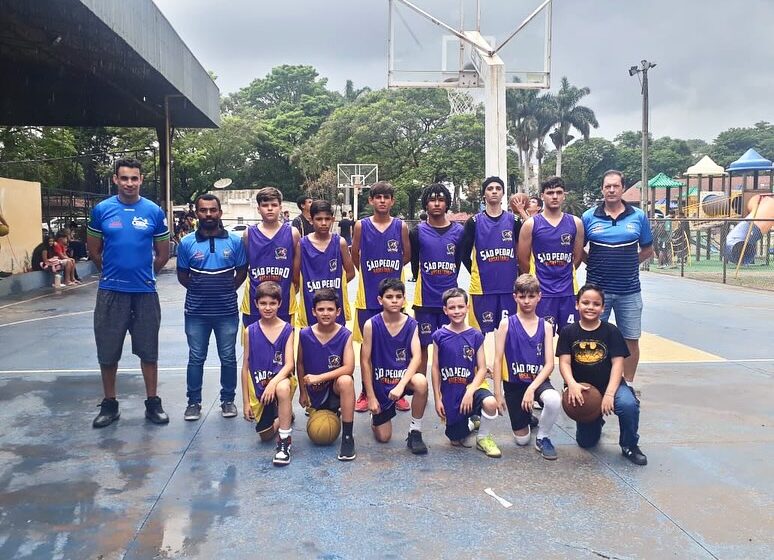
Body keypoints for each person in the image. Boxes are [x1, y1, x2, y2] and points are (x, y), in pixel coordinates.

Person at [87, 158, 170, 428]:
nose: (129, 183)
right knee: (108, 351)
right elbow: (94, 252)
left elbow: (163, 253)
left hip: (145, 293)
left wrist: (144, 275)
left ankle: (152, 402)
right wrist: (114, 273)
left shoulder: (153, 212)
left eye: (134, 178)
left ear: (141, 180)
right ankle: (109, 404)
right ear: (115, 180)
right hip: (111, 292)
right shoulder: (102, 210)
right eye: (124, 178)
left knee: (149, 350)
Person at [556, 284, 647, 466]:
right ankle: (595, 419)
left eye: (596, 304)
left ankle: (629, 445)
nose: (590, 307)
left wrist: (609, 394)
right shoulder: (568, 332)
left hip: (610, 385)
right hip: (584, 389)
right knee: (586, 442)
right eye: (585, 302)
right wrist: (571, 384)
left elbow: (617, 365)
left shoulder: (611, 331)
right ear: (577, 305)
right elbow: (564, 363)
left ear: (603, 308)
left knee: (628, 404)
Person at [177, 194, 248, 421]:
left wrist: (225, 290)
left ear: (220, 212)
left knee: (228, 357)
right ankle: (193, 403)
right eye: (203, 210)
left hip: (226, 311)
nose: (208, 214)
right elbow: (182, 276)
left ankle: (228, 400)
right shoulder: (187, 243)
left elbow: (242, 272)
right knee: (196, 358)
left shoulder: (235, 242)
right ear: (197, 213)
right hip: (196, 312)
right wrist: (201, 291)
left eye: (213, 210)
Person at [582, 170, 653, 389]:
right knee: (592, 340)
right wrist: (593, 263)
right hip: (596, 292)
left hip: (629, 291)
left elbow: (648, 249)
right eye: (607, 186)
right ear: (602, 189)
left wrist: (630, 264)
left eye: (615, 186)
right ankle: (594, 383)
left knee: (630, 338)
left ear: (622, 188)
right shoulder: (589, 217)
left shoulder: (638, 216)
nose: (611, 190)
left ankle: (628, 384)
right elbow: (579, 250)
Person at [351, 181, 411, 413]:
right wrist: (369, 272)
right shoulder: (361, 226)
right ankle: (366, 391)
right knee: (368, 346)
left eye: (387, 197)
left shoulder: (401, 226)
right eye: (378, 197)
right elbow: (355, 254)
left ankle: (398, 389)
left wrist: (390, 275)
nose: (382, 201)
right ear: (371, 200)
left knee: (397, 342)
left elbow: (405, 256)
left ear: (392, 201)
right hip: (367, 297)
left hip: (394, 297)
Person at [493, 274, 561, 460]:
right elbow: (497, 360)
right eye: (522, 296)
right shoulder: (506, 323)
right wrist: (498, 393)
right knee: (521, 440)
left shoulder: (546, 326)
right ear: (515, 297)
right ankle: (528, 418)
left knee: (554, 400)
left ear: (539, 296)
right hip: (514, 385)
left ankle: (543, 437)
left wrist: (531, 388)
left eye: (531, 296)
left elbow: (549, 365)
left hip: (537, 382)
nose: (526, 301)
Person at [360, 278, 429, 453]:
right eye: (389, 296)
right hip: (381, 383)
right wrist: (371, 397)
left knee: (421, 381)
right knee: (384, 438)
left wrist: (401, 385)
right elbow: (365, 362)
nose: (394, 300)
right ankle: (374, 416)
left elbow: (416, 358)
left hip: (402, 381)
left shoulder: (411, 324)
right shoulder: (371, 325)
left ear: (404, 299)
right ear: (380, 300)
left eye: (398, 296)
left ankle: (415, 430)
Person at [431, 287, 501, 457]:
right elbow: (435, 368)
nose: (457, 311)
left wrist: (470, 390)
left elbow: (483, 368)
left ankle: (483, 437)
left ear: (467, 307)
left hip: (472, 387)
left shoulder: (476, 335)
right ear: (445, 310)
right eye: (452, 308)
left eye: (460, 307)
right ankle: (471, 422)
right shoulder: (439, 336)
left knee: (491, 403)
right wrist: (437, 398)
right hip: (451, 390)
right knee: (455, 440)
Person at [518, 176, 584, 334]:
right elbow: (522, 259)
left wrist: (561, 271)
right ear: (542, 195)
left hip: (568, 291)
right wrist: (536, 278)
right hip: (541, 293)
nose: (555, 196)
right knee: (539, 339)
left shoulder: (576, 223)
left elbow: (578, 257)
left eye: (559, 192)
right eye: (550, 192)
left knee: (570, 340)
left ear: (564, 195)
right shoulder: (531, 224)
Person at [410, 183, 464, 376]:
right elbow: (414, 263)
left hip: (449, 300)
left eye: (441, 200)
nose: (436, 204)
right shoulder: (417, 232)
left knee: (448, 344)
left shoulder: (459, 231)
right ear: (426, 204)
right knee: (423, 346)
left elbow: (457, 263)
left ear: (447, 203)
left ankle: (448, 387)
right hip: (424, 299)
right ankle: (420, 387)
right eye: (432, 200)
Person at [297, 288, 357, 461]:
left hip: (333, 389)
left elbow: (349, 368)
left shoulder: (345, 334)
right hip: (314, 391)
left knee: (346, 381)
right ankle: (326, 409)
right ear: (313, 311)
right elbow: (300, 364)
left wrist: (320, 377)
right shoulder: (304, 334)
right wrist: (302, 392)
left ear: (338, 312)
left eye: (330, 309)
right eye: (321, 309)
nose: (325, 313)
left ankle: (347, 437)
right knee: (319, 430)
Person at [241, 281, 296, 466]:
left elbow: (289, 364)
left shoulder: (287, 329)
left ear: (280, 304)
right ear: (256, 304)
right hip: (260, 390)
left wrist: (273, 383)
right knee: (264, 435)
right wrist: (245, 401)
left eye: (272, 303)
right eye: (263, 303)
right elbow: (245, 366)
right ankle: (285, 414)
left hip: (280, 383)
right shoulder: (250, 331)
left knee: (282, 387)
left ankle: (284, 443)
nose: (268, 308)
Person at [461, 176, 520, 336]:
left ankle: (503, 363)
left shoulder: (514, 221)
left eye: (498, 188)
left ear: (503, 194)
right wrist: (476, 273)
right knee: (477, 335)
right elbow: (464, 253)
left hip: (509, 288)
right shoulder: (473, 222)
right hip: (482, 290)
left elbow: (523, 252)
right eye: (490, 189)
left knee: (509, 334)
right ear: (484, 195)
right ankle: (478, 363)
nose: (494, 191)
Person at [242, 187, 299, 327]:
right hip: (254, 302)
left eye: (274, 205)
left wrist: (291, 289)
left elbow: (297, 272)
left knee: (284, 346)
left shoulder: (292, 233)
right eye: (265, 205)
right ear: (258, 208)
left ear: (280, 207)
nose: (269, 209)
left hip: (284, 301)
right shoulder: (248, 233)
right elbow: (244, 267)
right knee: (254, 345)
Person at [295, 199, 355, 328]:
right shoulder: (302, 244)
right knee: (310, 345)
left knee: (338, 344)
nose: (323, 223)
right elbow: (295, 276)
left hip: (334, 307)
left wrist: (332, 289)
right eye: (319, 219)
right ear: (311, 220)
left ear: (333, 220)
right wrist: (313, 289)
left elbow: (350, 273)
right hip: (311, 307)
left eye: (327, 219)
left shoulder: (340, 242)